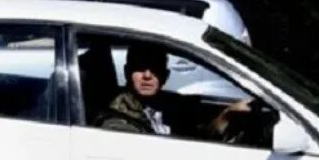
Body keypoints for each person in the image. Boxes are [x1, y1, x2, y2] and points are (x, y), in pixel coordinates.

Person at [94, 41, 251, 140]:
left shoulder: (173, 106)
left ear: (166, 75)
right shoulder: (118, 115)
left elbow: (196, 138)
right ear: (128, 72)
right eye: (140, 68)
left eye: (154, 68)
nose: (147, 75)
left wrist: (223, 118)